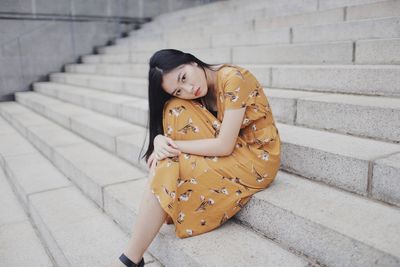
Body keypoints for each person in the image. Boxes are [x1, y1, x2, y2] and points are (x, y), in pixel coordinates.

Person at [112, 49, 281, 267]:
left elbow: (224, 145)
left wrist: (173, 146)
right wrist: (159, 141)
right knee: (173, 108)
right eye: (179, 90)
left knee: (168, 163)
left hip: (257, 157)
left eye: (184, 77)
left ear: (191, 61)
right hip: (233, 150)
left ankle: (129, 260)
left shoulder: (234, 78)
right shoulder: (195, 93)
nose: (189, 89)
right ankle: (131, 260)